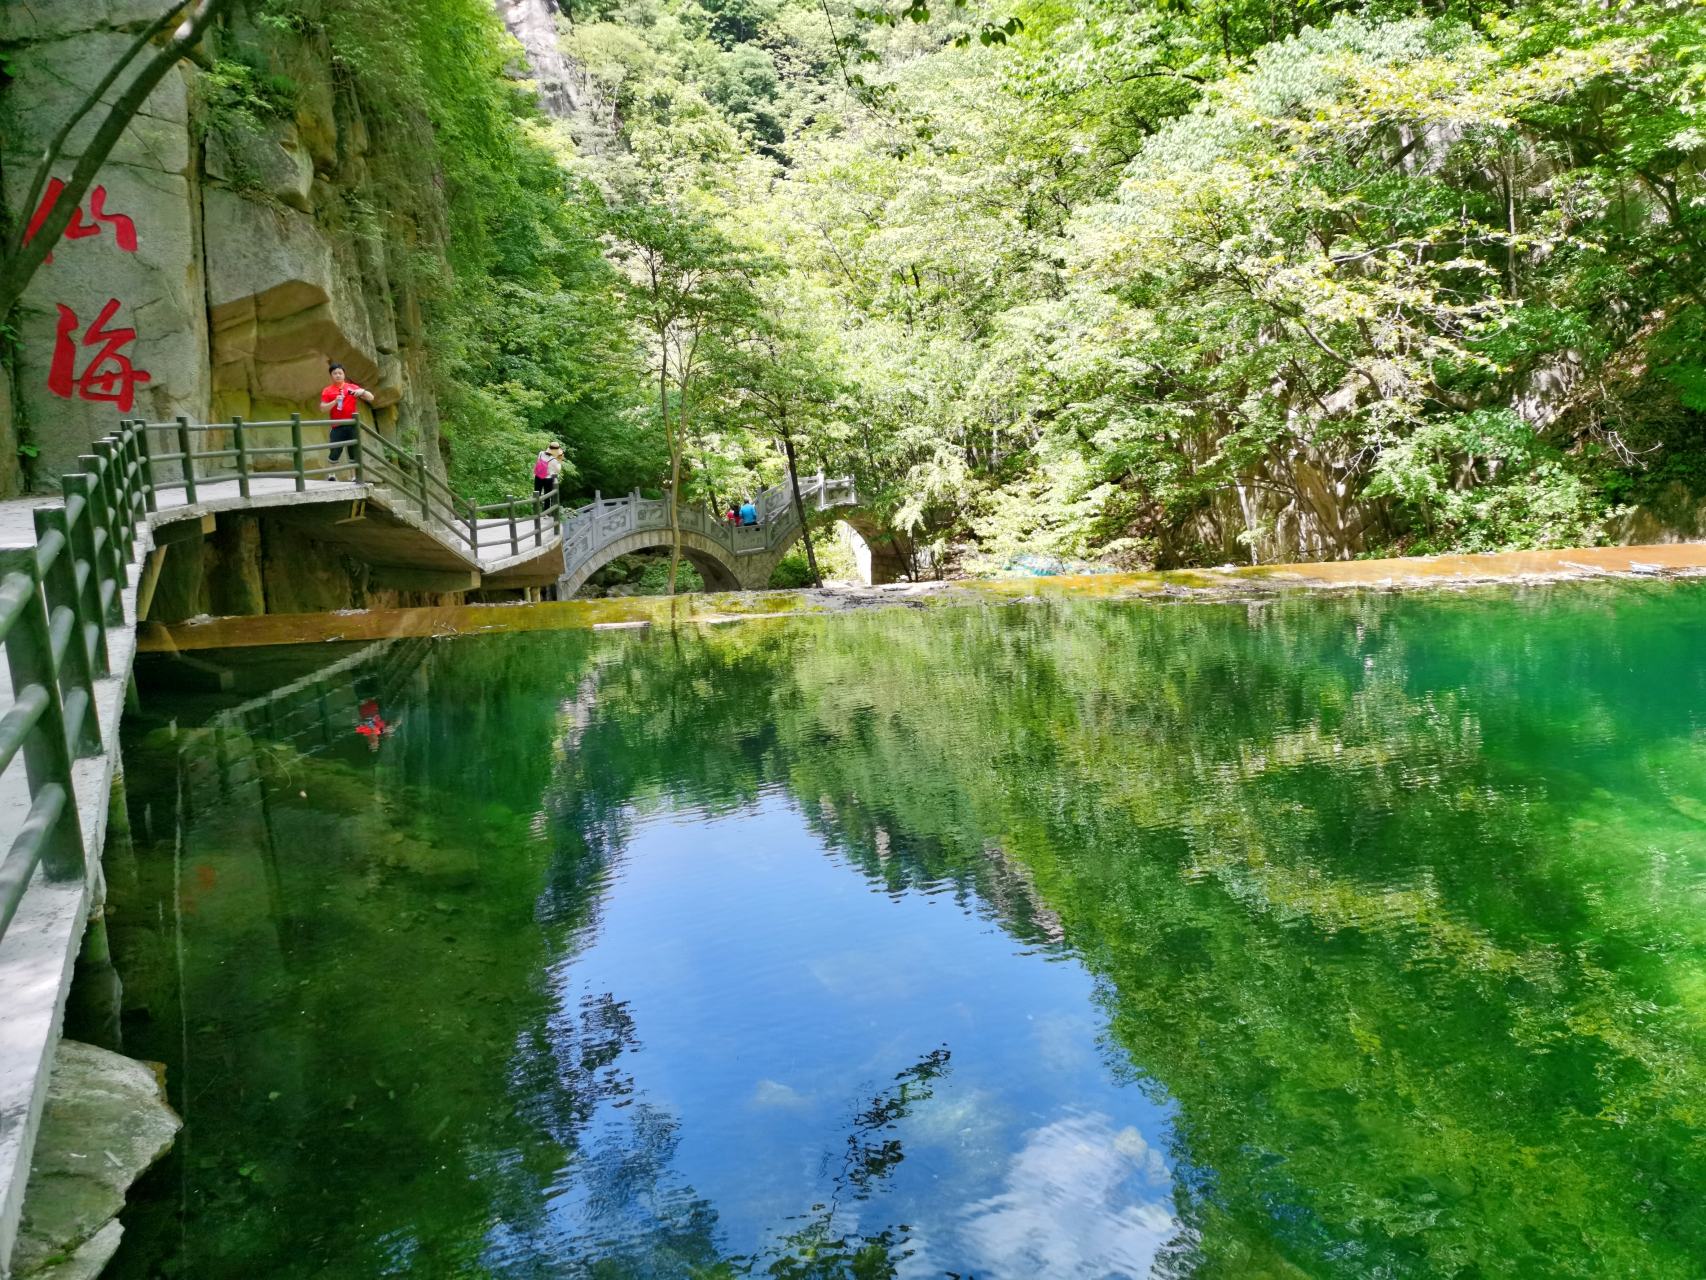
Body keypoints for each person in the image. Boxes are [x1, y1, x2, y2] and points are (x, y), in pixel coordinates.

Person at [320, 363, 374, 481]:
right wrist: (335, 401)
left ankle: (354, 477)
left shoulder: (352, 387)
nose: (338, 376)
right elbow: (323, 408)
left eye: (340, 373)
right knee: (335, 450)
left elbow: (371, 398)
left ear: (344, 374)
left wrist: (362, 392)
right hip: (336, 425)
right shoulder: (328, 390)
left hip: (351, 425)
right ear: (331, 375)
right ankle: (331, 475)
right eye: (335, 373)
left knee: (353, 452)